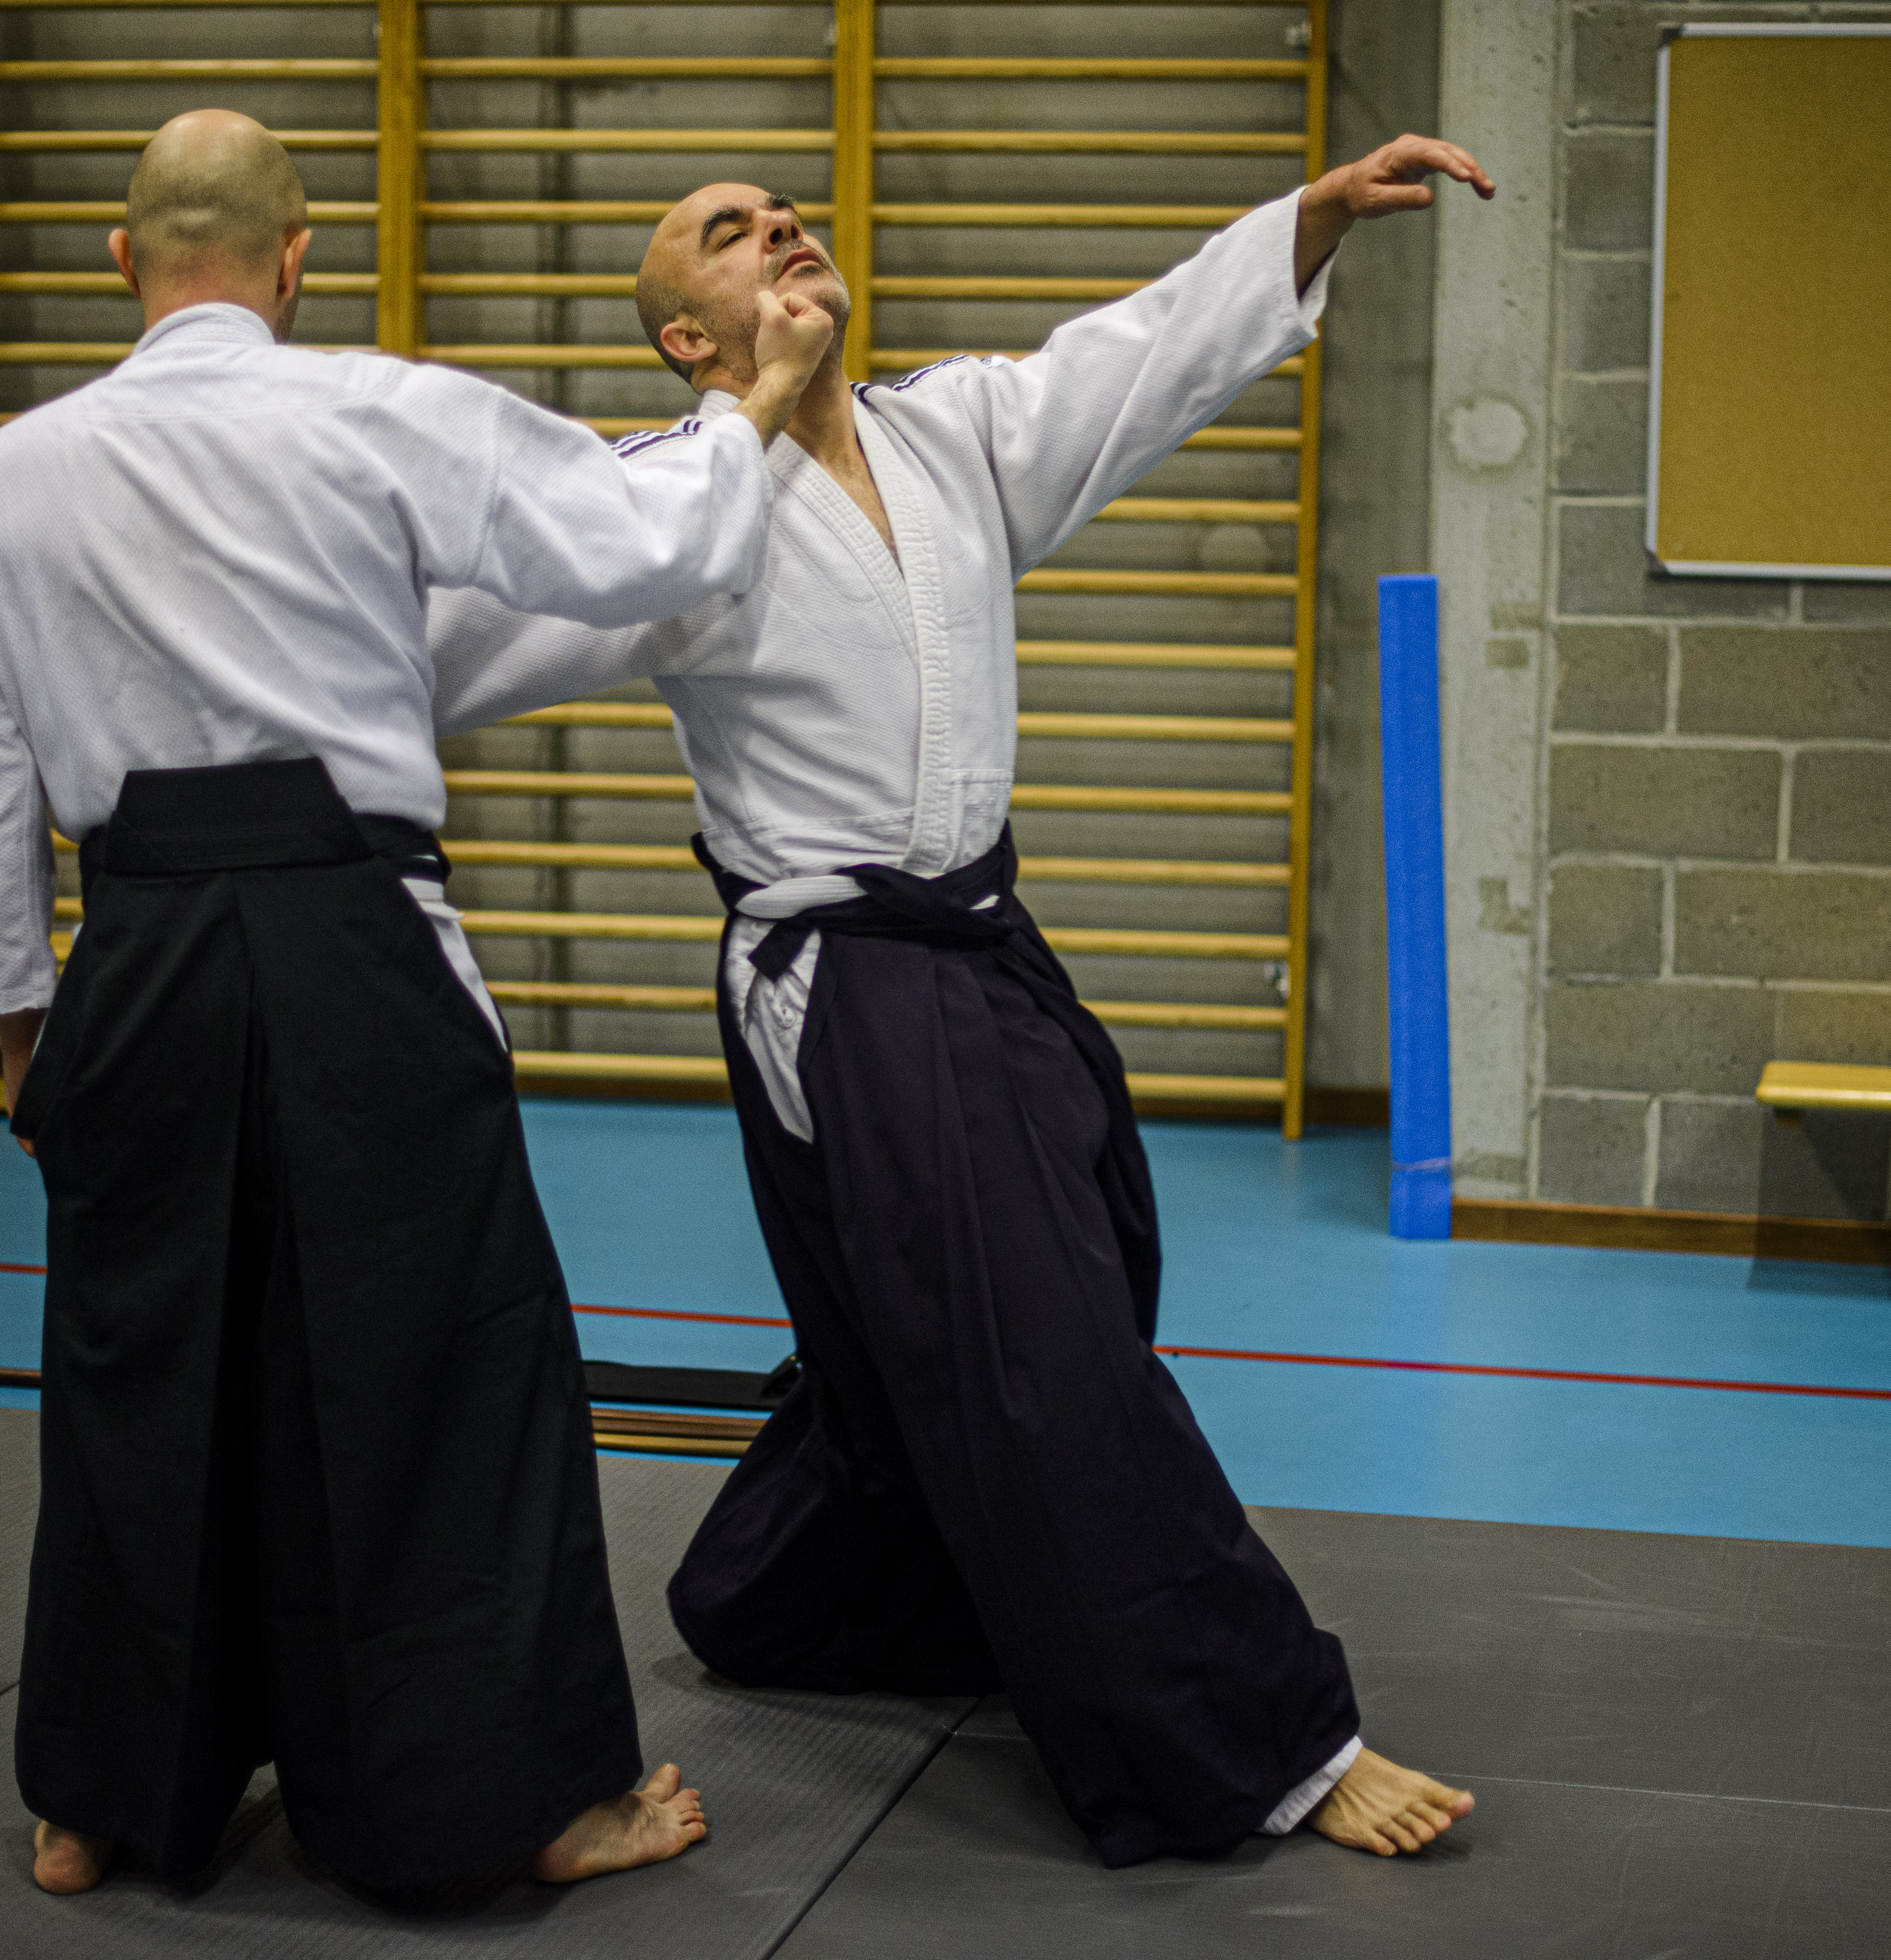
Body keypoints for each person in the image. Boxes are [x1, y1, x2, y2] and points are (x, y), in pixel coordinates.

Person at [421, 134, 1489, 1867]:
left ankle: (786, 1598)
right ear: (687, 337)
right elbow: (469, 647)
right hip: (845, 990)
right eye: (727, 232)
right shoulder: (670, 498)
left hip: (986, 952)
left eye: (784, 210)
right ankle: (1260, 1738)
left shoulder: (954, 432)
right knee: (1042, 1347)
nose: (777, 223)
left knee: (986, 1310)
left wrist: (1302, 219)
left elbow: (1135, 355)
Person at [0, 110, 834, 1900]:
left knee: (140, 1368)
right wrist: (760, 400)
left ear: (122, 262)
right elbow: (640, 548)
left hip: (138, 946)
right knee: (443, 1374)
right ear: (295, 261)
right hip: (352, 937)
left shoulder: (11, 472)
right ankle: (509, 1804)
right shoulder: (372, 405)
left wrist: (28, 1033)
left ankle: (101, 1799)